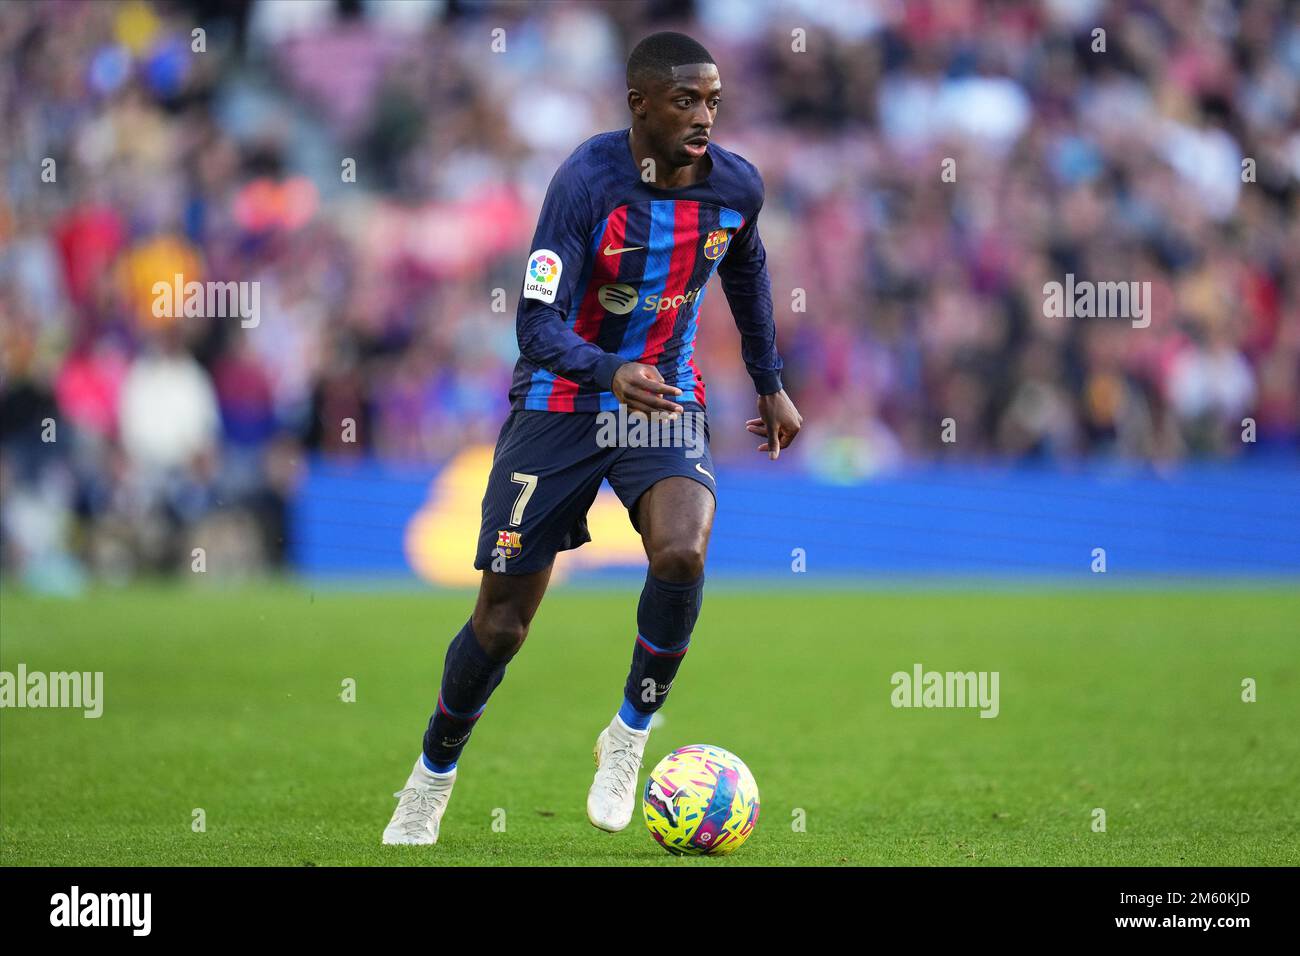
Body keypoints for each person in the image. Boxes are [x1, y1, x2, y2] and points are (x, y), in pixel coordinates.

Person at [383, 31, 802, 846]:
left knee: (681, 551)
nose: (704, 117)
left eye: (713, 101)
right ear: (638, 103)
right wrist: (610, 371)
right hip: (561, 404)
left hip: (662, 401)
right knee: (502, 623)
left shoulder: (736, 187)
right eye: (686, 100)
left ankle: (630, 734)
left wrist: (770, 381)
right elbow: (534, 325)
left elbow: (747, 273)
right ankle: (432, 774)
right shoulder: (585, 181)